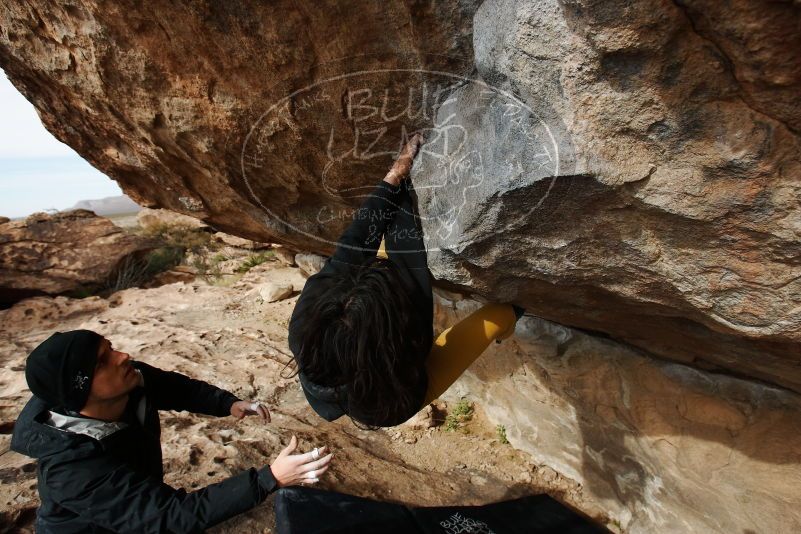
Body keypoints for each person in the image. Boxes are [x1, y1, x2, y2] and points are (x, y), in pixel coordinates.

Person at [288, 133, 524, 427]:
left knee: (387, 252)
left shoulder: (305, 323)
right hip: (392, 395)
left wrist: (394, 179)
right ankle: (508, 327)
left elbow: (354, 244)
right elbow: (409, 287)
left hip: (329, 390)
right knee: (500, 315)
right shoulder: (395, 394)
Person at [11, 329, 333, 533]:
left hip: (134, 495)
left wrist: (228, 403)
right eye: (103, 361)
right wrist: (270, 477)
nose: (122, 357)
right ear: (80, 391)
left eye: (111, 348)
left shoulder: (130, 380)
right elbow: (170, 516)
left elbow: (175, 388)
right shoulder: (73, 469)